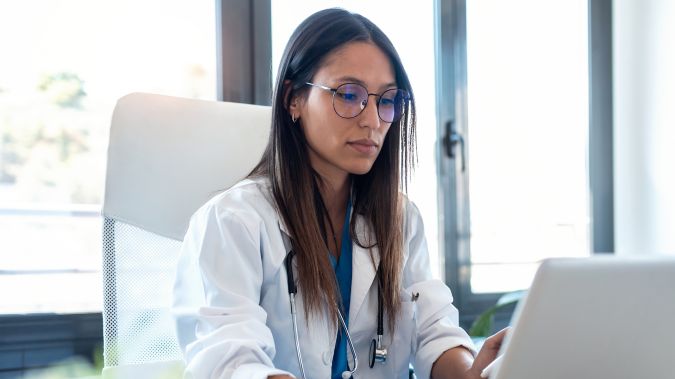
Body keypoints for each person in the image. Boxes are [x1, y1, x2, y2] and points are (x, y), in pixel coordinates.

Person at [172, 8, 506, 379]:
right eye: (349, 94)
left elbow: (434, 333)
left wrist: (475, 372)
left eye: (387, 100)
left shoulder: (399, 218)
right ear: (293, 99)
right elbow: (229, 360)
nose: (372, 119)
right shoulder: (234, 221)